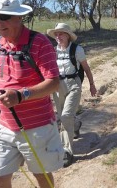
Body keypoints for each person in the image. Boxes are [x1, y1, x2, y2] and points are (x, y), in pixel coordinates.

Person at [0, 0, 64, 188]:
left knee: (41, 176)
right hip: (5, 126)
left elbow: (54, 82)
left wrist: (21, 95)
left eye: (4, 17)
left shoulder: (40, 42)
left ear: (19, 18)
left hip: (37, 127)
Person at [47, 23, 97, 167]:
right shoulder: (53, 51)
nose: (58, 36)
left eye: (61, 34)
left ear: (68, 35)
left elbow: (86, 68)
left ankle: (66, 151)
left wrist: (92, 85)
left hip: (74, 84)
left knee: (65, 116)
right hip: (58, 86)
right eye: (56, 34)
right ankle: (75, 125)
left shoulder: (77, 49)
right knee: (64, 116)